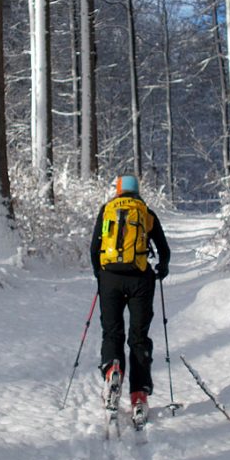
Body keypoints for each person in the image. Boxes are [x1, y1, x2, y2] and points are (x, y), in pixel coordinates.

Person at [90, 174, 171, 425]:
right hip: (140, 280)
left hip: (110, 279)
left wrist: (100, 276)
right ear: (137, 191)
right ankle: (138, 397)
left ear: (117, 191)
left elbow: (95, 248)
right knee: (138, 337)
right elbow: (164, 249)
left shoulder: (107, 210)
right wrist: (162, 268)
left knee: (112, 333)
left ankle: (113, 372)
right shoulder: (145, 211)